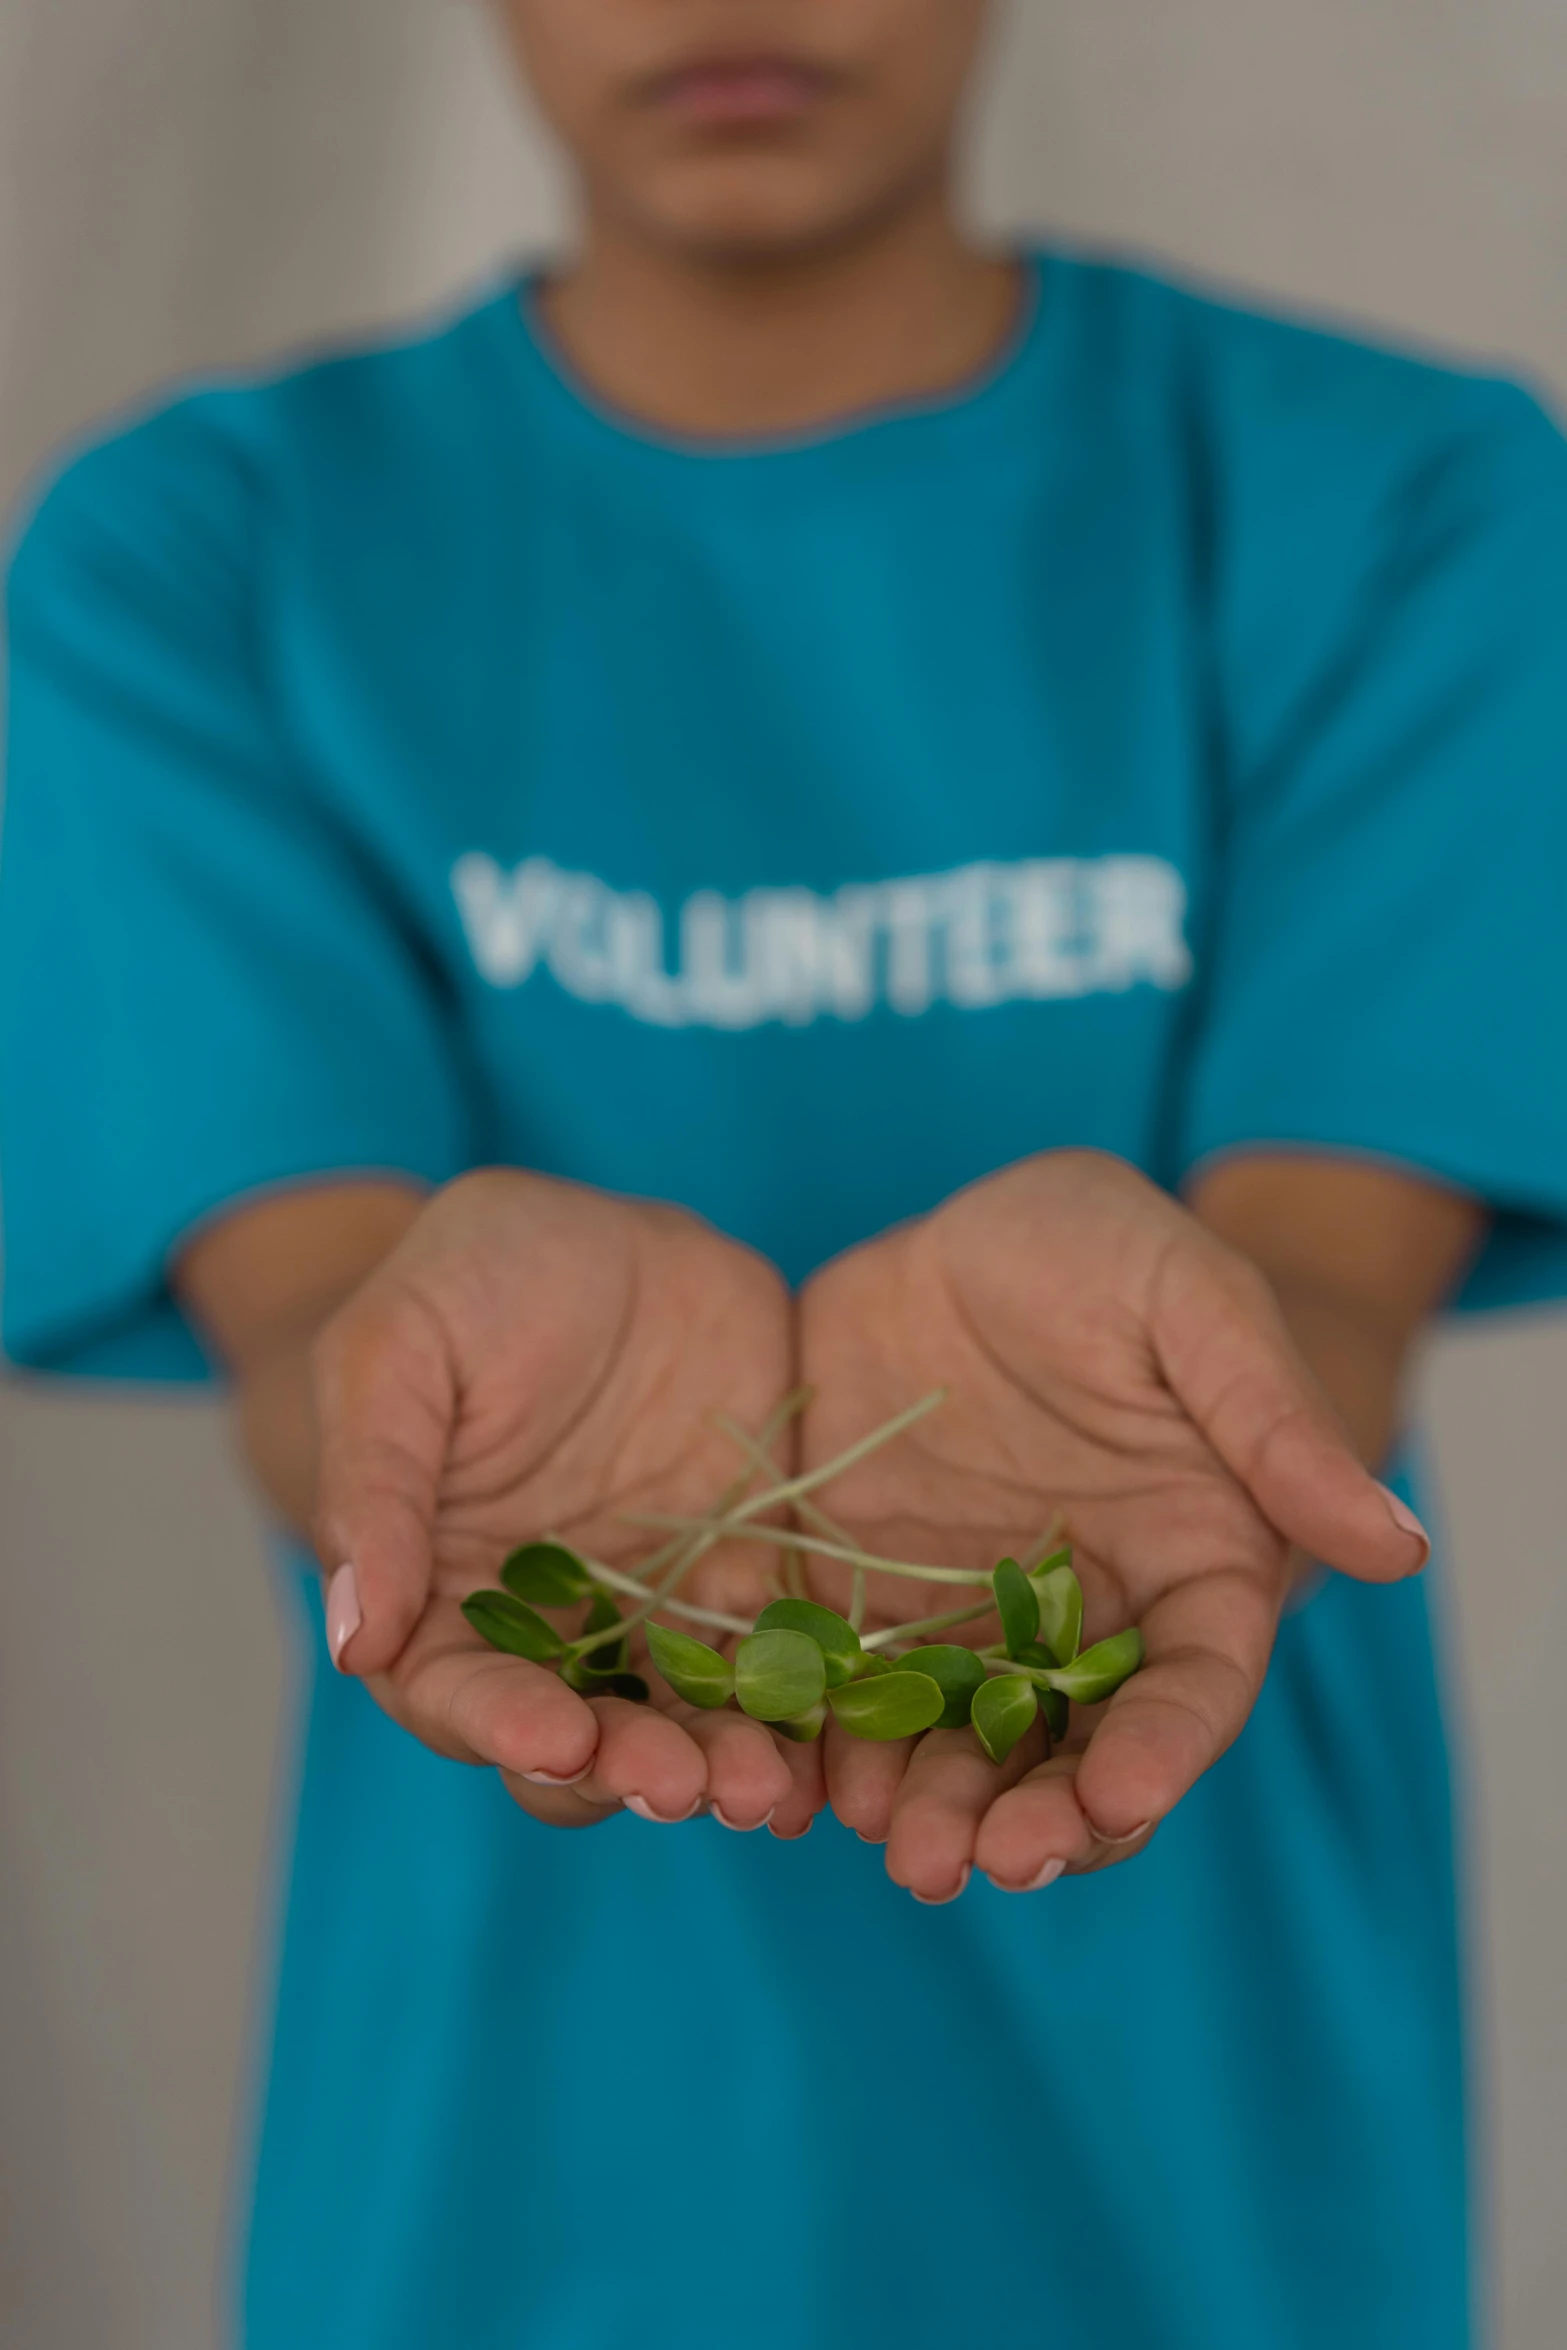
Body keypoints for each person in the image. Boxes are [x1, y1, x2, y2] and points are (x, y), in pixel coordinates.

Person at [4, 3, 1567, 2344]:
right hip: (509, 2192)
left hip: (1215, 2167)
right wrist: (421, 1363)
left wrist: (1197, 1345)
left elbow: (1320, 1291)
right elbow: (321, 1338)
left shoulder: (1402, 495)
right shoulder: (200, 551)